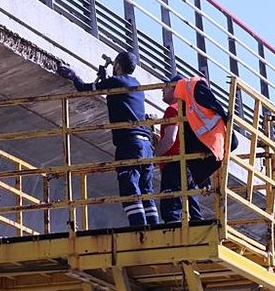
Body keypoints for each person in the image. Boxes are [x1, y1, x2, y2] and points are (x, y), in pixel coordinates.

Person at [57, 52, 159, 227]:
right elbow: (119, 98)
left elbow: (85, 89)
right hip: (145, 144)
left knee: (129, 185)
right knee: (145, 189)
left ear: (118, 66)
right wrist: (105, 80)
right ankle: (154, 227)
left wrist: (74, 76)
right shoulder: (137, 85)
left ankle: (139, 227)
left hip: (129, 143)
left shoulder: (117, 82)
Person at [157, 73, 233, 223]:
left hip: (174, 164)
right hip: (189, 165)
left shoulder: (173, 109)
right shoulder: (188, 110)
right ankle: (200, 233)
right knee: (192, 209)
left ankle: (176, 239)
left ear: (174, 88)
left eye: (166, 87)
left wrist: (153, 156)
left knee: (171, 210)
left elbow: (170, 140)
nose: (162, 90)